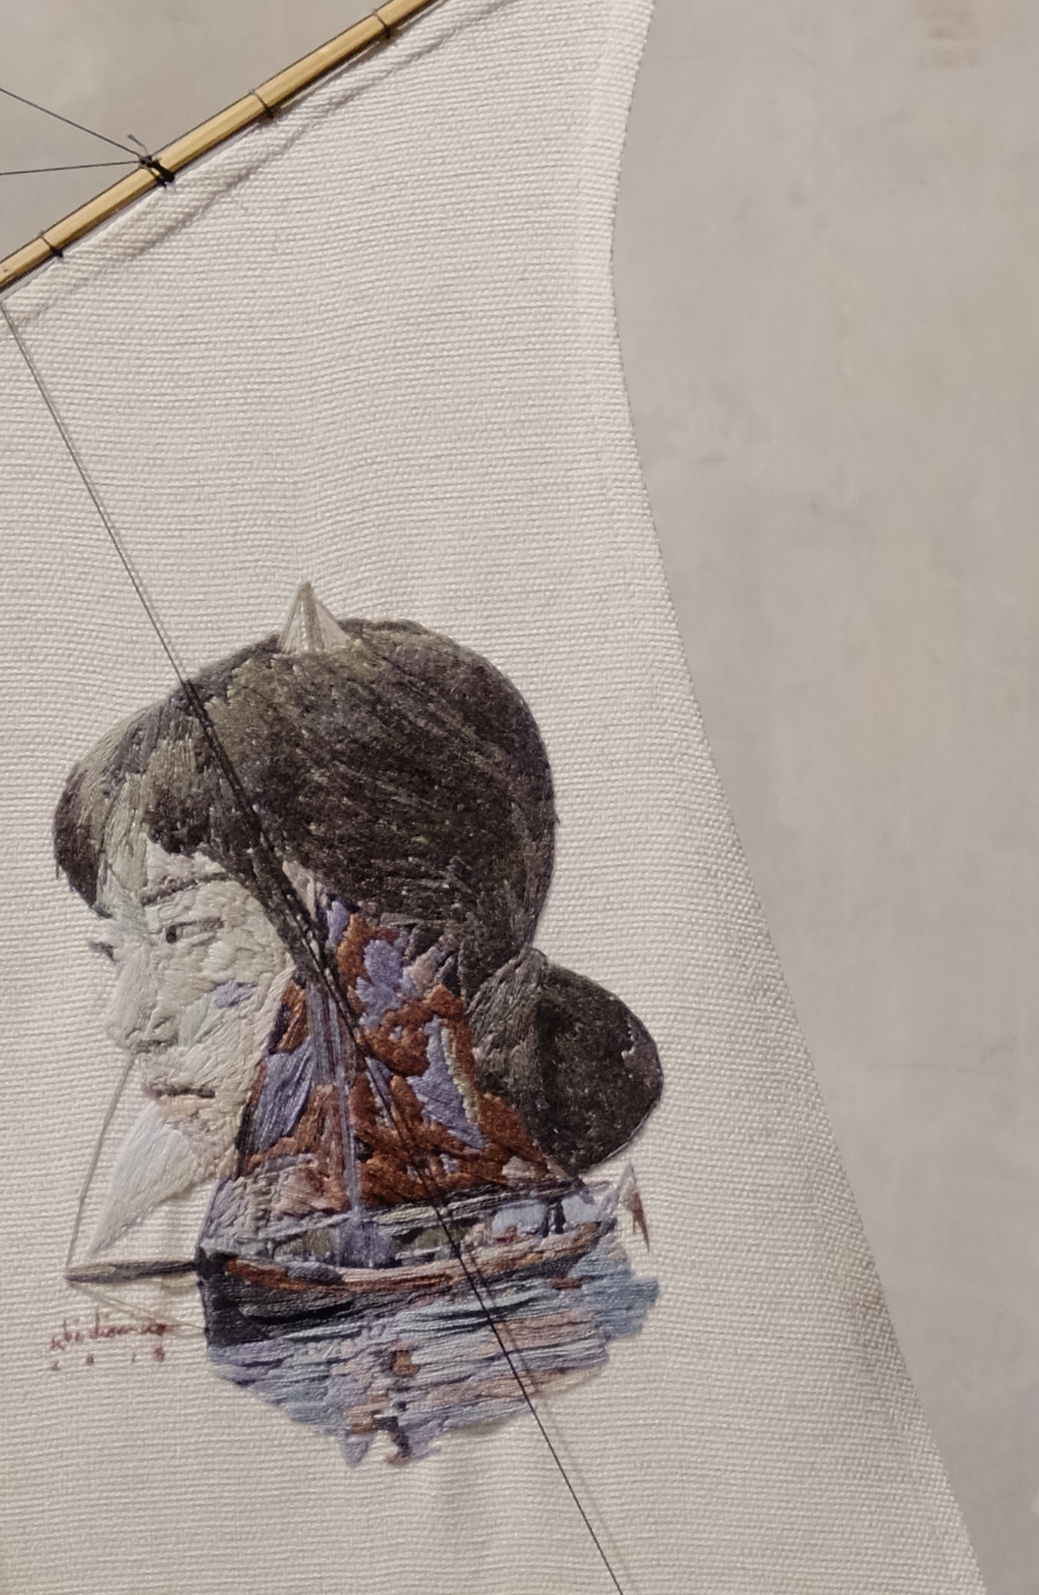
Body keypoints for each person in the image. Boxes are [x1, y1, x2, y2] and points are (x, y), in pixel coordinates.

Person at [48, 589, 660, 1461]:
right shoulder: (258, 1201)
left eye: (188, 932)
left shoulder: (545, 1334)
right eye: (119, 956)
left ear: (396, 937)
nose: (127, 1022)